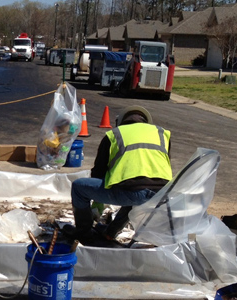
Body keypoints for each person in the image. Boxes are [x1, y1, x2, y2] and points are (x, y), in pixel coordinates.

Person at [67, 105, 172, 246]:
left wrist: (98, 202)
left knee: (79, 188)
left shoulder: (115, 134)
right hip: (162, 194)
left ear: (121, 122)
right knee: (134, 188)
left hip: (133, 192)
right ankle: (111, 232)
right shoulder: (161, 134)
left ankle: (84, 233)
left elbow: (98, 171)